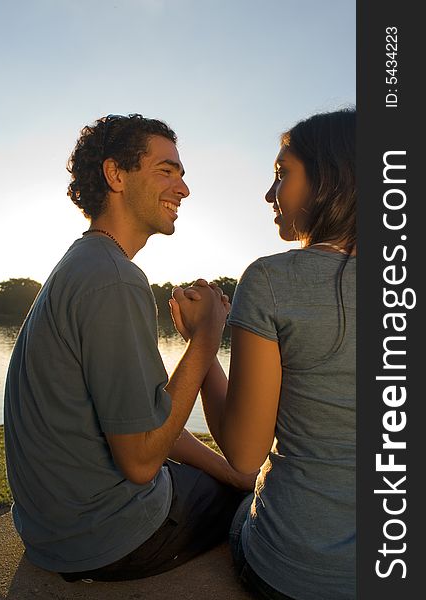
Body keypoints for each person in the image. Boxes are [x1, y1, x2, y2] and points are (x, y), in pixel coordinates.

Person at [3, 113, 254, 583]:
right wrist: (206, 335)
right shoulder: (115, 279)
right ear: (116, 175)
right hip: (111, 538)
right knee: (264, 513)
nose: (183, 189)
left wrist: (232, 471)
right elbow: (141, 460)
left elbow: (146, 420)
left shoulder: (85, 264)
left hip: (54, 530)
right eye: (167, 170)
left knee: (234, 480)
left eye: (181, 173)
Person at [170, 109, 356, 599]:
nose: (269, 194)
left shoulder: (272, 279)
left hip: (299, 571)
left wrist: (203, 341)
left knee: (239, 504)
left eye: (281, 174)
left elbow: (245, 453)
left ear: (330, 178)